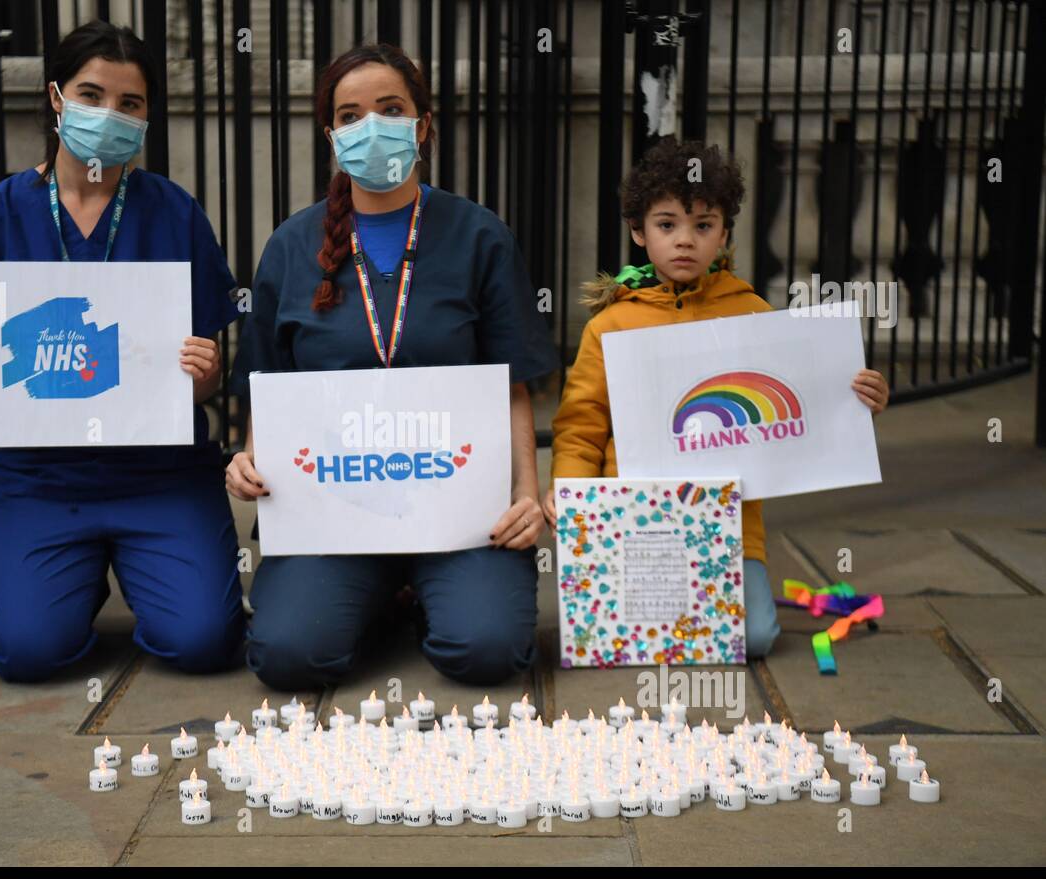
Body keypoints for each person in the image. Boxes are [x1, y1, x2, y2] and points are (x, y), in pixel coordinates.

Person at [0, 21, 245, 682]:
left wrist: (203, 377)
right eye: (91, 94)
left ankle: (143, 572)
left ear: (146, 117)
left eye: (130, 103)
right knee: (28, 652)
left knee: (203, 642)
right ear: (56, 98)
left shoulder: (175, 214)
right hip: (38, 480)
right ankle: (59, 577)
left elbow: (196, 381)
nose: (109, 114)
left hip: (158, 476)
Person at [227, 44, 558, 689]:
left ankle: (426, 591)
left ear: (423, 125)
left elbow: (510, 383)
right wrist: (247, 457)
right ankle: (379, 598)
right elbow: (268, 384)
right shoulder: (293, 245)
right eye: (349, 116)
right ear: (331, 135)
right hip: (333, 514)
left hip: (461, 512)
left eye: (390, 109)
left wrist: (524, 493)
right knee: (290, 656)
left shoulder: (480, 236)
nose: (369, 127)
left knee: (488, 652)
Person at [546, 136, 889, 658]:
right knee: (614, 637)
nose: (685, 240)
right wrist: (575, 501)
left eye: (703, 225)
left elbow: (803, 401)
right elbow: (580, 425)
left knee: (752, 639)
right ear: (638, 232)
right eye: (667, 225)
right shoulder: (609, 325)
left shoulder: (752, 314)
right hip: (632, 518)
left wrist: (859, 399)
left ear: (724, 233)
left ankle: (730, 594)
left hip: (726, 522)